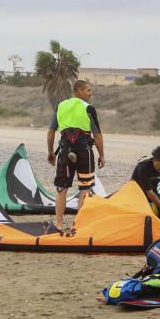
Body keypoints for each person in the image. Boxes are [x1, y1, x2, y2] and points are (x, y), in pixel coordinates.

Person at [46, 80, 105, 230]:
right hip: (84, 151)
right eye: (88, 90)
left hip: (65, 152)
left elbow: (51, 131)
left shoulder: (61, 106)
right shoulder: (88, 108)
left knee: (61, 188)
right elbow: (97, 135)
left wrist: (51, 152)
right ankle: (77, 226)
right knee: (84, 188)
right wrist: (101, 155)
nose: (90, 93)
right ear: (78, 90)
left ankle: (58, 224)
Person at [132, 145, 160, 219]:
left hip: (153, 195)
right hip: (137, 196)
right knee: (151, 217)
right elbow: (150, 193)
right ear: (154, 160)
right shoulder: (143, 168)